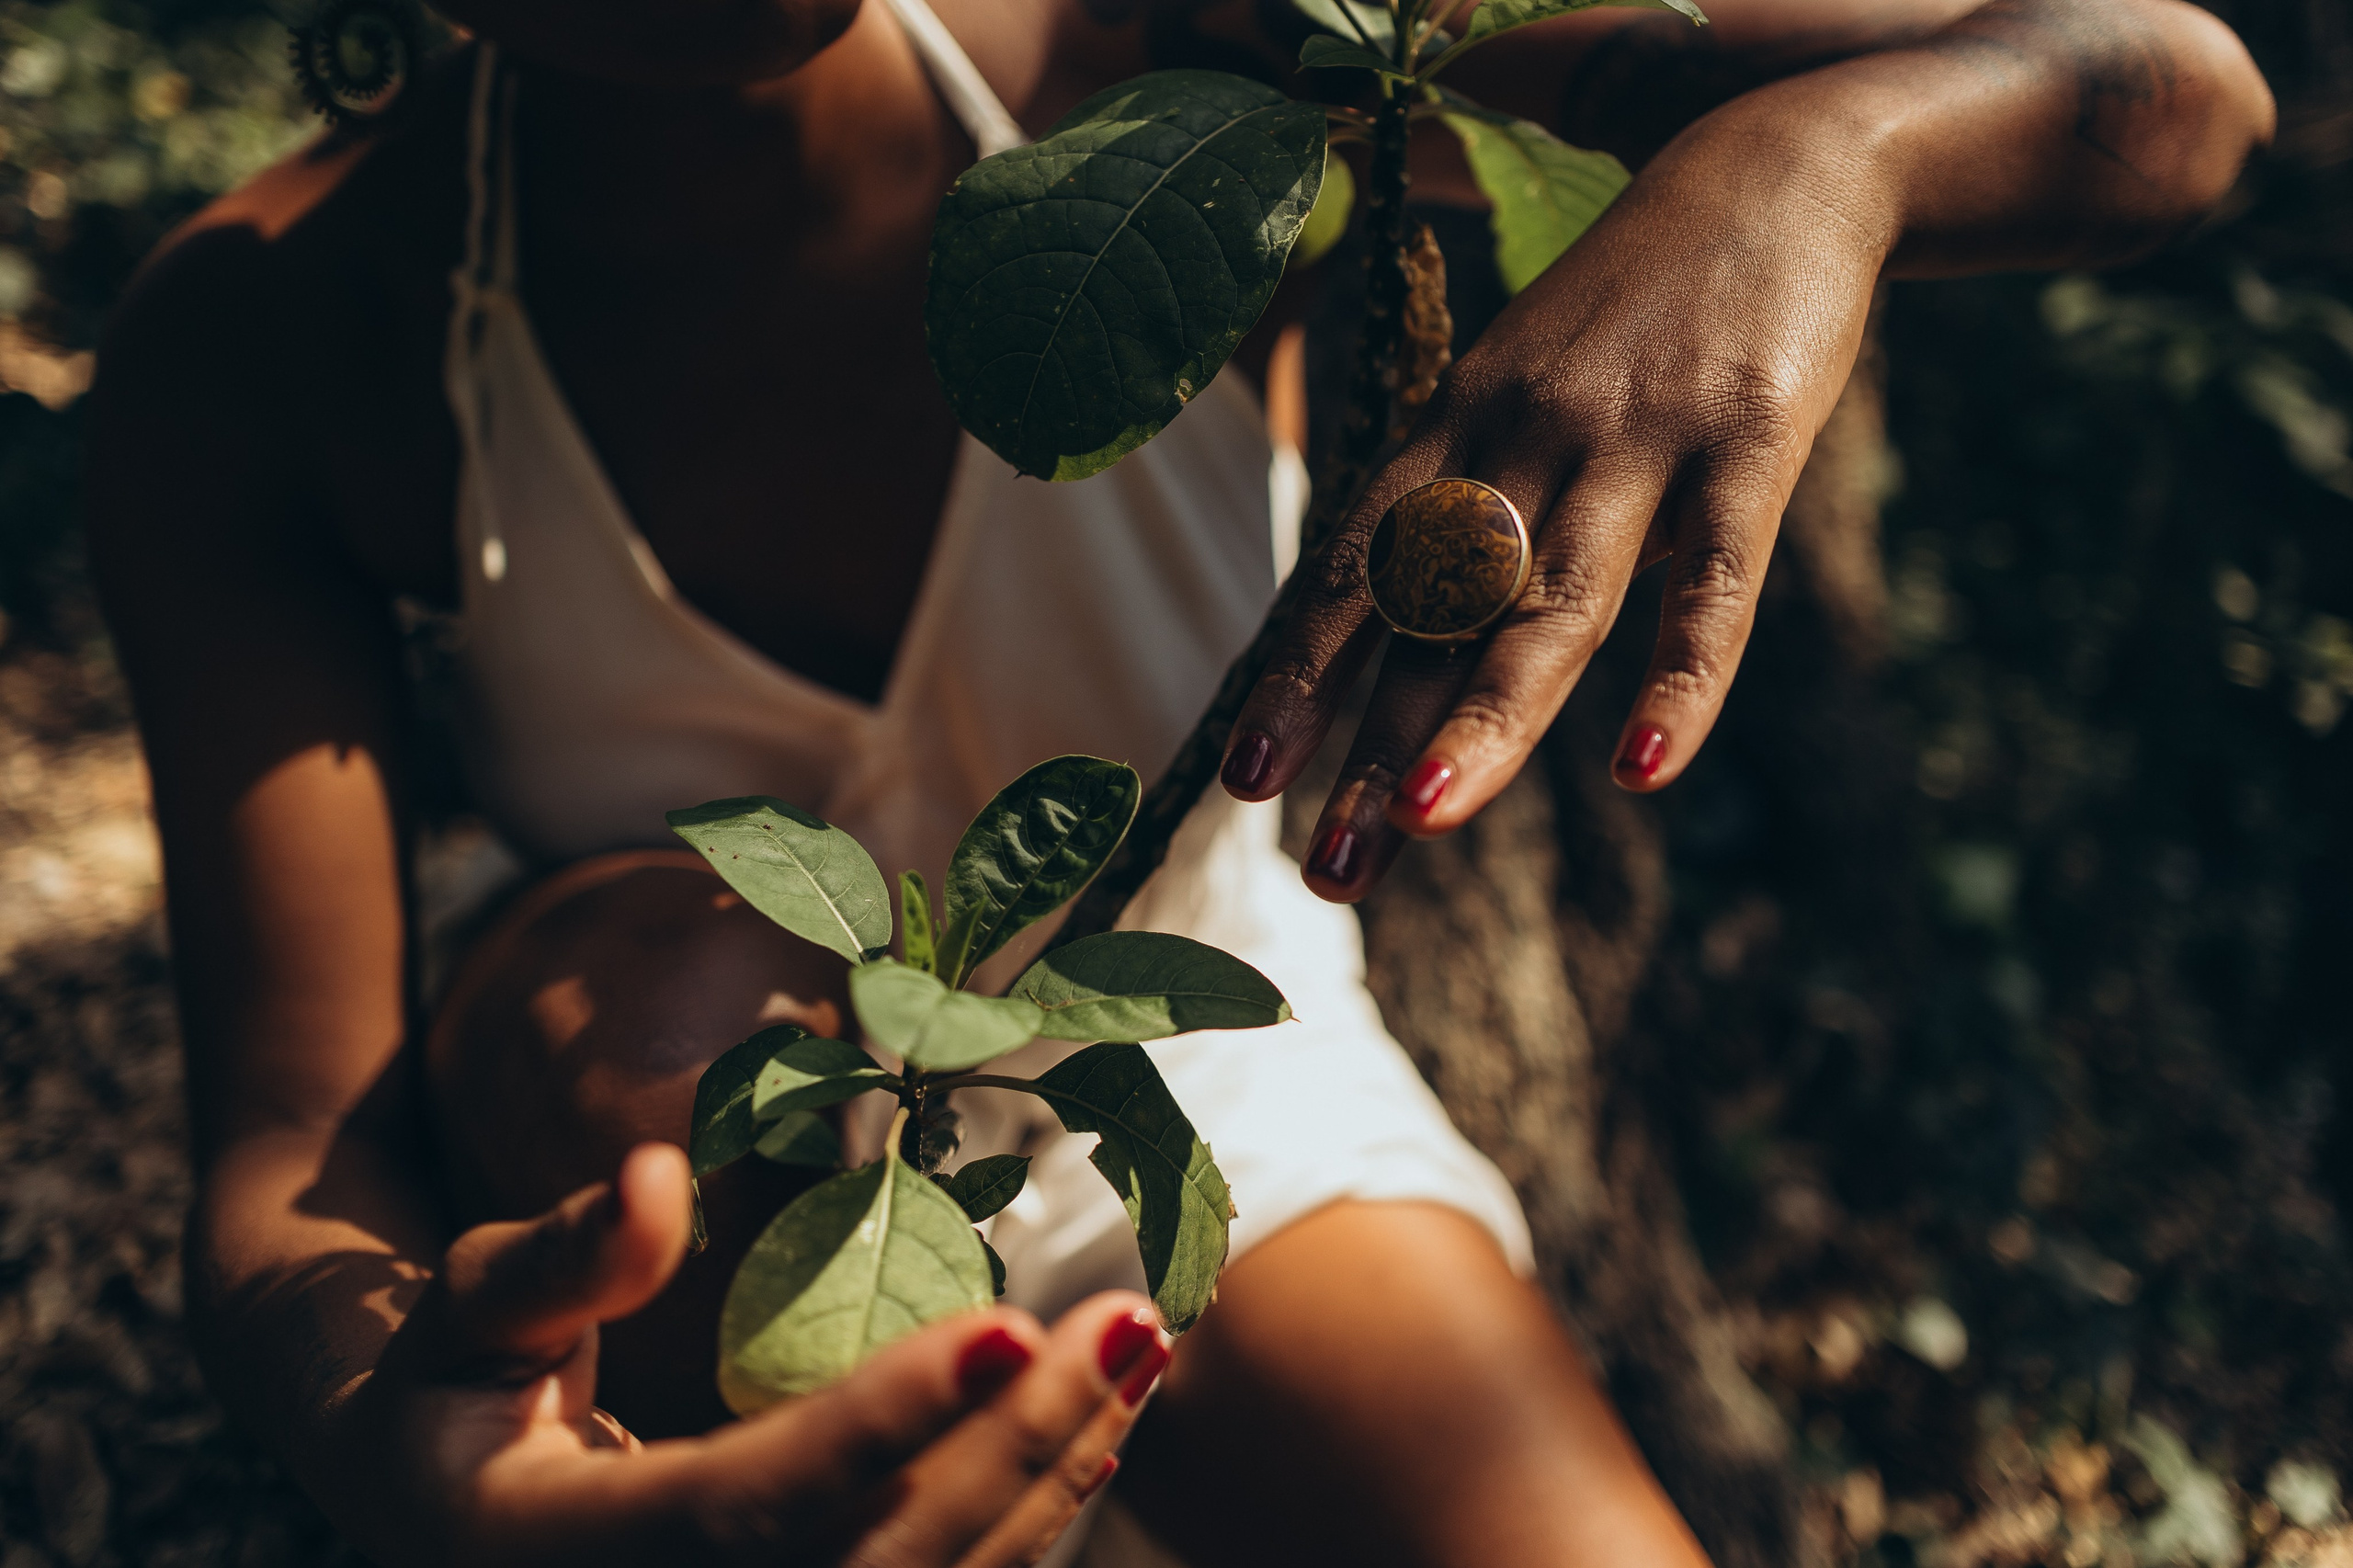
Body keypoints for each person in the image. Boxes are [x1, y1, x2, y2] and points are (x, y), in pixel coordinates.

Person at [82, 0, 2270, 1563]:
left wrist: (1811, 157)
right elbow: (291, 1145)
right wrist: (399, 1452)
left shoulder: (1185, 62)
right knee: (656, 1002)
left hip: (1215, 1097)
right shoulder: (270, 339)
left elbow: (2171, 87)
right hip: (683, 1154)